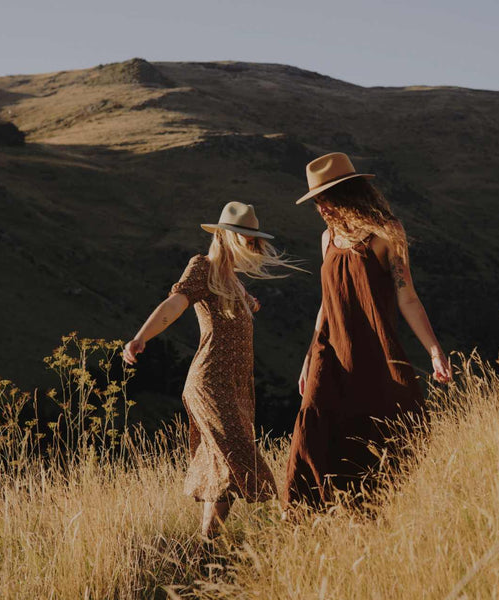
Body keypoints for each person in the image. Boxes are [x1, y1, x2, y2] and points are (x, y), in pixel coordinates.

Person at [285, 152, 452, 509]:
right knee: (312, 431)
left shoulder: (386, 234)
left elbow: (407, 298)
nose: (321, 209)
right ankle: (305, 519)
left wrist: (434, 350)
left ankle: (375, 509)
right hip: (329, 352)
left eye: (325, 200)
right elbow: (326, 302)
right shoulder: (326, 239)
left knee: (382, 428)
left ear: (348, 194)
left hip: (373, 351)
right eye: (316, 202)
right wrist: (306, 359)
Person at [123, 201, 298, 539]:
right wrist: (140, 337)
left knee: (223, 466)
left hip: (236, 385)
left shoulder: (235, 281)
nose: (250, 245)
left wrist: (248, 303)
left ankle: (207, 541)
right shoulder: (202, 267)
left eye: (252, 239)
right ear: (225, 236)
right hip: (210, 381)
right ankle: (285, 521)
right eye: (244, 237)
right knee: (239, 454)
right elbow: (175, 303)